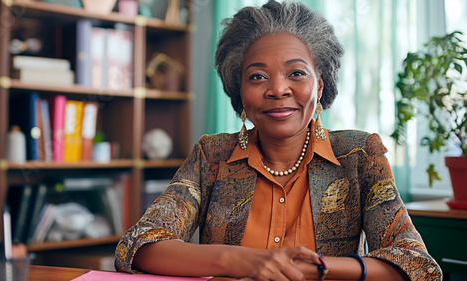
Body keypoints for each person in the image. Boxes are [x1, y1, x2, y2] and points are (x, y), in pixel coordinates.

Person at [115, 1, 442, 280]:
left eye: (296, 73)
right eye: (257, 76)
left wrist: (319, 269)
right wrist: (244, 261)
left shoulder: (359, 155)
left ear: (319, 87)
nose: (278, 89)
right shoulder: (212, 155)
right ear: (239, 92)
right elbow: (139, 244)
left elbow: (416, 263)